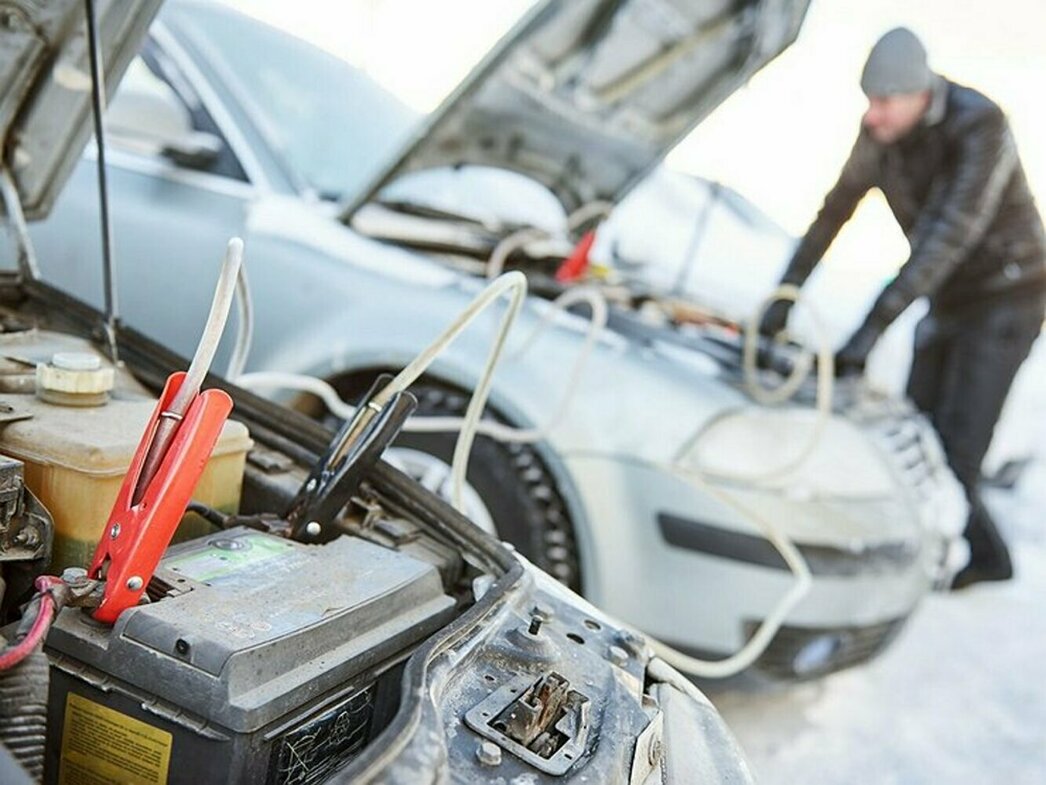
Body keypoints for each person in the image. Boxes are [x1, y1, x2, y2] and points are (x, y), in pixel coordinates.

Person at [760, 27, 1046, 589]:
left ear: (921, 94)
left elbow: (948, 235)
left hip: (1010, 293)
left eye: (886, 102)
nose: (874, 115)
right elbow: (831, 214)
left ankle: (986, 558)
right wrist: (782, 298)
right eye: (870, 101)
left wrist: (869, 332)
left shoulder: (979, 126)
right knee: (915, 430)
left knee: (957, 445)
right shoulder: (881, 137)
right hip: (946, 294)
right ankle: (921, 548)